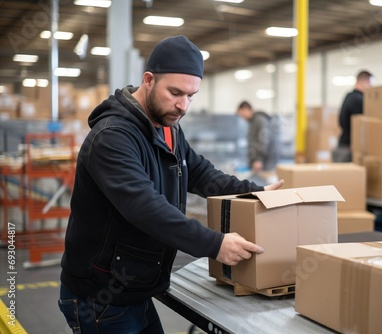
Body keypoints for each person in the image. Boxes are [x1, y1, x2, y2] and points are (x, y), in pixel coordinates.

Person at [58, 35, 284, 333]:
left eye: (191, 95)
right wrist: (214, 244)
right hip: (101, 295)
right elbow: (144, 207)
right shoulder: (112, 137)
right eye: (175, 92)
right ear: (148, 80)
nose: (183, 105)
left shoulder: (167, 127)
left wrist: (254, 191)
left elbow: (201, 173)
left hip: (135, 286)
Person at [333, 70, 374, 162]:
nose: (371, 87)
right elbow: (358, 126)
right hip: (349, 148)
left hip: (343, 145)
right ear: (365, 82)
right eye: (370, 84)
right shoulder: (358, 99)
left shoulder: (349, 96)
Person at [236, 101, 280, 175]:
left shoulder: (259, 120)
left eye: (242, 114)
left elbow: (263, 141)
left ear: (246, 109)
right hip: (261, 161)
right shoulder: (253, 121)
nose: (242, 118)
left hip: (265, 162)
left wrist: (258, 160)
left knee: (268, 181)